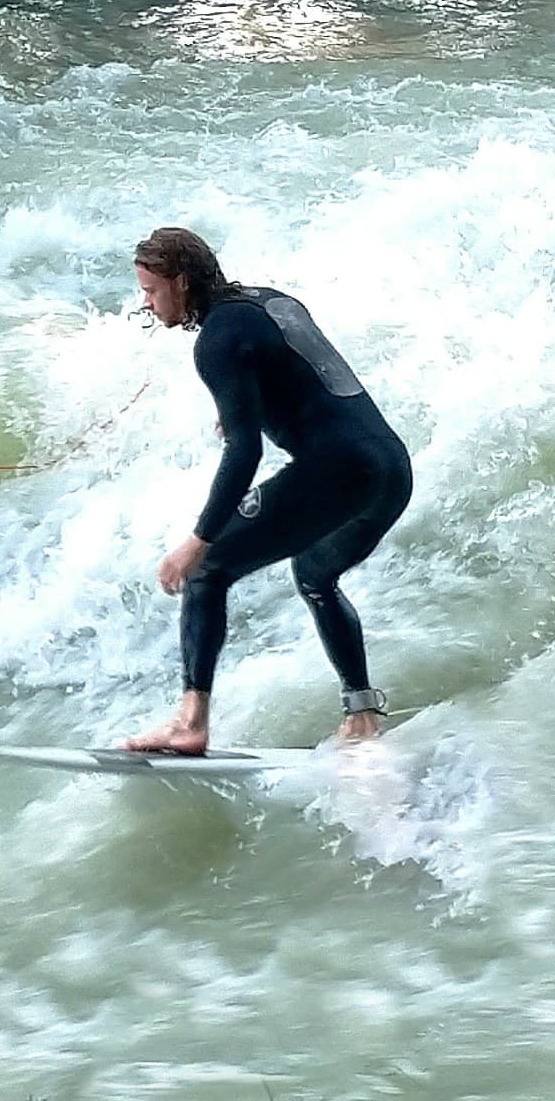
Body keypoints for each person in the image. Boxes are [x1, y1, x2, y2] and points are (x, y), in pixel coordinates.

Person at [125, 227, 412, 757]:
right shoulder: (269, 301)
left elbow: (245, 452)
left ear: (181, 283)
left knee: (208, 571)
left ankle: (190, 723)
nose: (146, 303)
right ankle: (363, 713)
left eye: (152, 291)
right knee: (316, 574)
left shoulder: (216, 341)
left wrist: (198, 540)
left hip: (338, 471)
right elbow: (308, 373)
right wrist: (241, 406)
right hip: (392, 468)